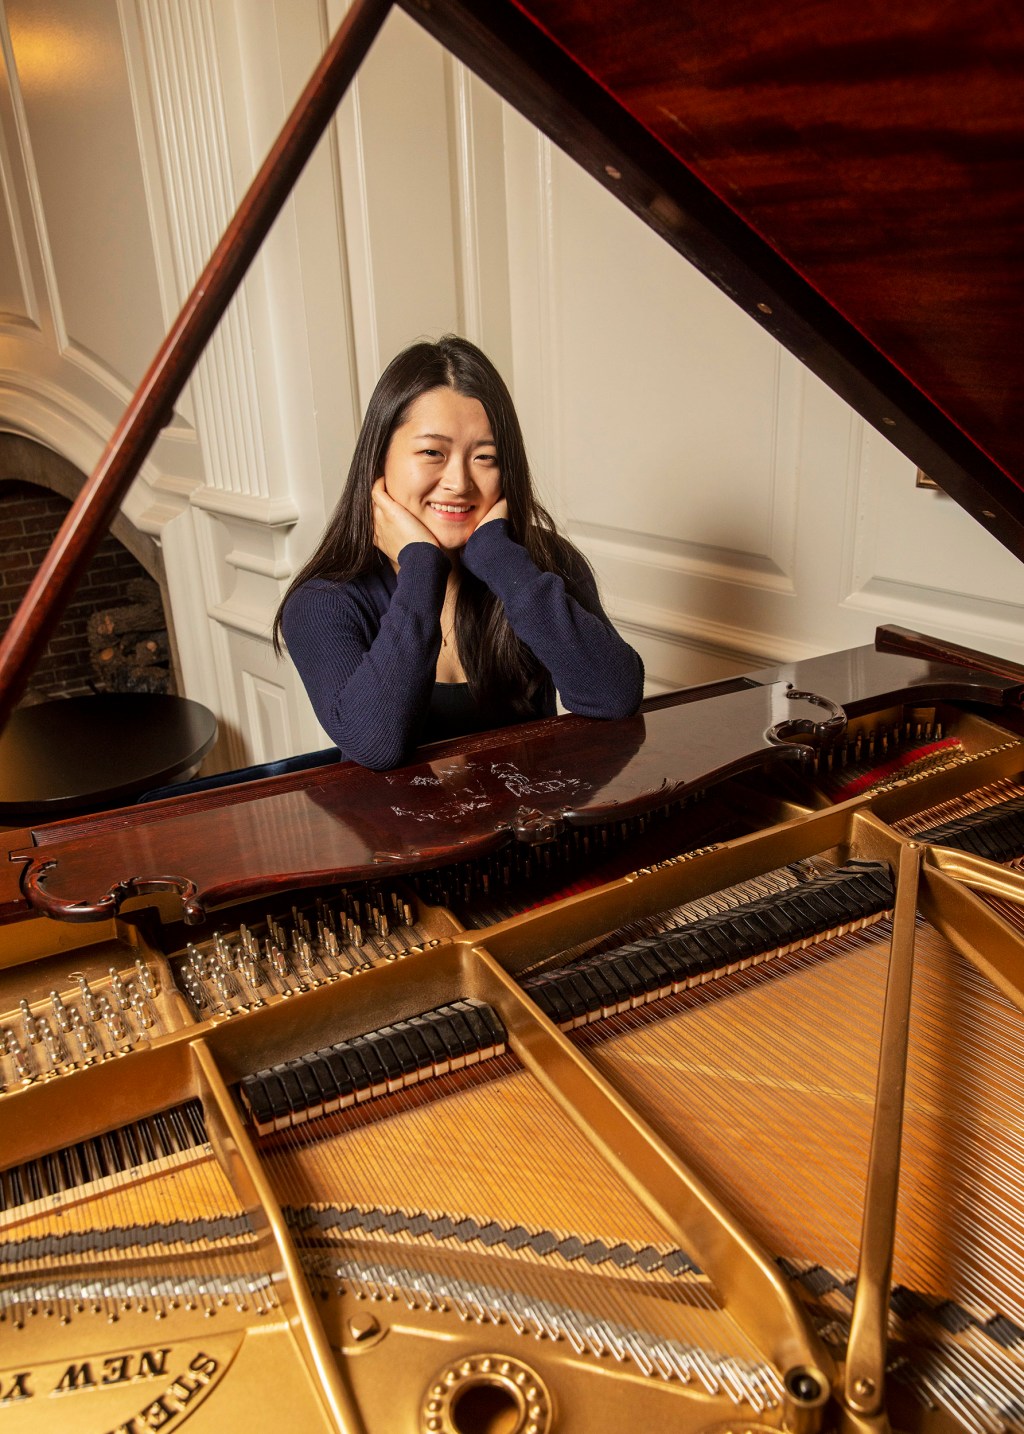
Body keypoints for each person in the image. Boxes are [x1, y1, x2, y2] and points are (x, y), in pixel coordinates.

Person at [275, 335, 644, 771]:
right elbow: (376, 747)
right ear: (379, 459)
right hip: (399, 836)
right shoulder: (323, 602)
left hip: (531, 826)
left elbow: (613, 698)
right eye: (432, 452)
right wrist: (420, 566)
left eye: (485, 457)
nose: (459, 482)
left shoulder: (539, 564)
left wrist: (499, 557)